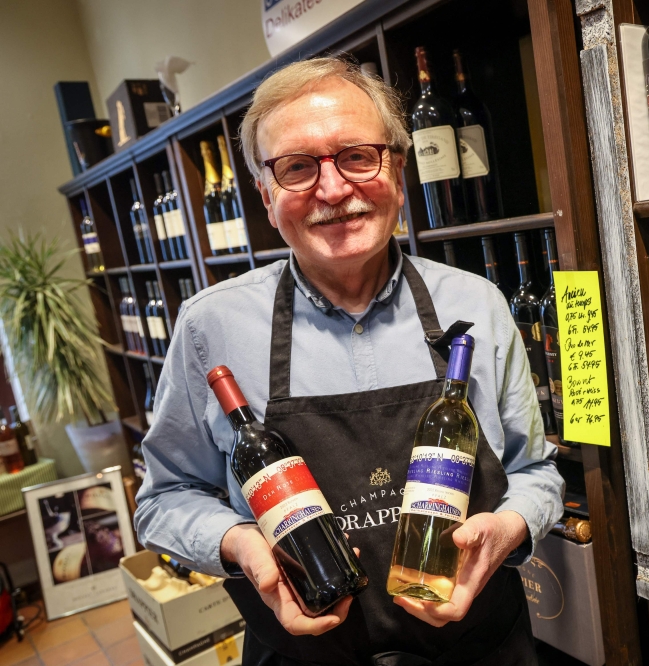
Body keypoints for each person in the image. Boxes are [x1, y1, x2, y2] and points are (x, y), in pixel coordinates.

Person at [134, 57, 564, 666]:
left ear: (398, 167)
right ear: (264, 191)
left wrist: (510, 529)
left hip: (481, 650)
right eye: (297, 168)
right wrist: (242, 546)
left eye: (358, 156)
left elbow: (537, 473)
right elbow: (165, 497)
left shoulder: (478, 305)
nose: (333, 190)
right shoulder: (212, 327)